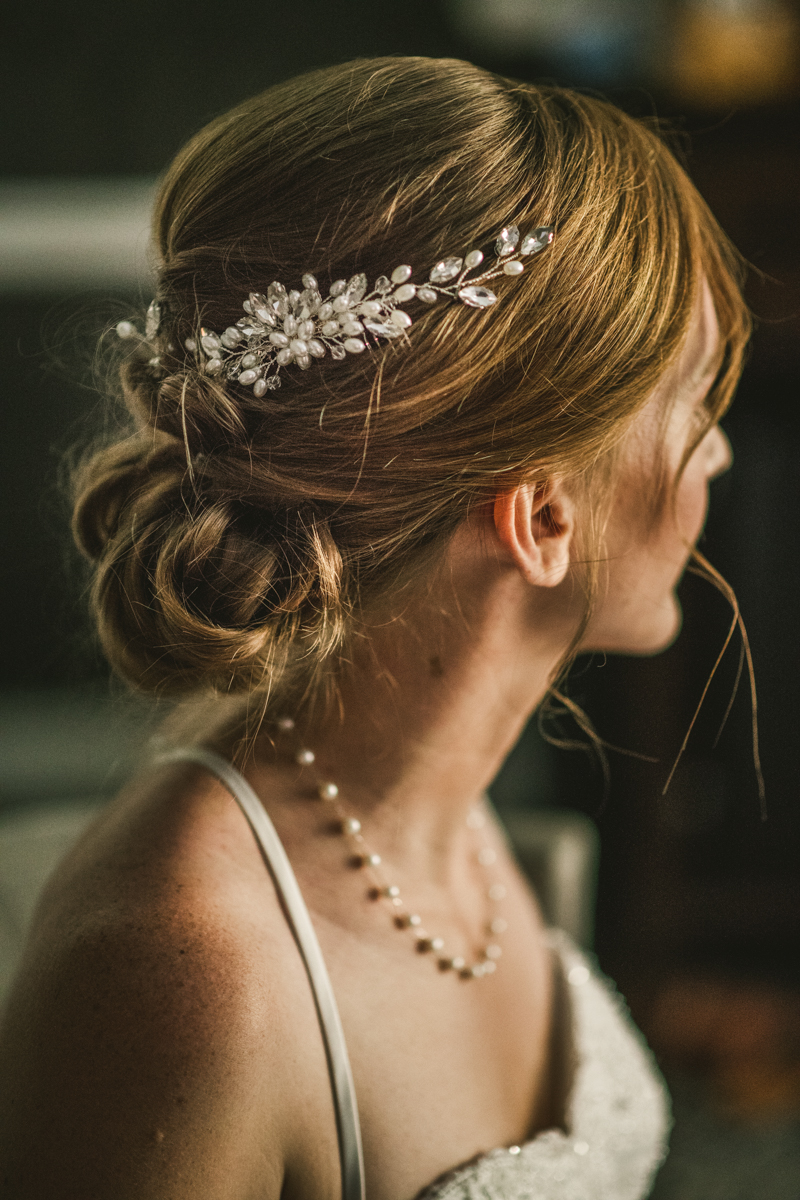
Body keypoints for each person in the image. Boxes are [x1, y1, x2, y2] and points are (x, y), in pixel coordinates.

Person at [0, 56, 748, 1200]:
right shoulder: (190, 977)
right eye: (695, 401)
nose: (721, 455)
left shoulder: (433, 802)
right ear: (540, 515)